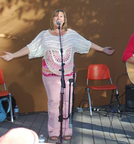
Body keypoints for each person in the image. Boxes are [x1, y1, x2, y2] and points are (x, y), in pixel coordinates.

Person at [1, 9, 115, 141]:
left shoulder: (72, 34)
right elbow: (30, 47)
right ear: (52, 19)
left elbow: (87, 43)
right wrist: (13, 55)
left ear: (64, 19)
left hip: (68, 74)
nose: (58, 17)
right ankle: (53, 130)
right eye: (56, 16)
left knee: (67, 102)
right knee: (54, 102)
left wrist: (102, 49)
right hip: (50, 74)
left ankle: (66, 129)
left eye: (61, 16)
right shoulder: (44, 35)